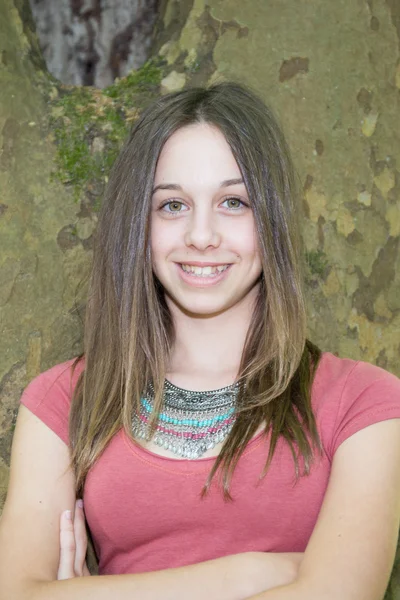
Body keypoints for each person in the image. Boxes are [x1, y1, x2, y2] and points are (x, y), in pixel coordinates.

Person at [1, 81, 400, 600]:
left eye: (234, 202)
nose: (202, 234)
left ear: (273, 219)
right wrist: (249, 575)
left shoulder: (365, 401)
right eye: (172, 206)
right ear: (137, 225)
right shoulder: (65, 398)